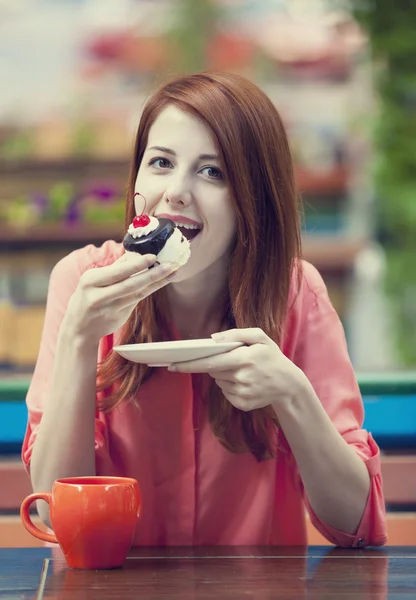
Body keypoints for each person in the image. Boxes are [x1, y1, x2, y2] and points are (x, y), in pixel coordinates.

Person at [22, 71, 387, 547]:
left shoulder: (296, 294)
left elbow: (356, 526)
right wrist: (78, 340)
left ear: (253, 200)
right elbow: (53, 515)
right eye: (160, 163)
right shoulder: (81, 283)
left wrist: (293, 396)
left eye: (212, 171)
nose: (175, 190)